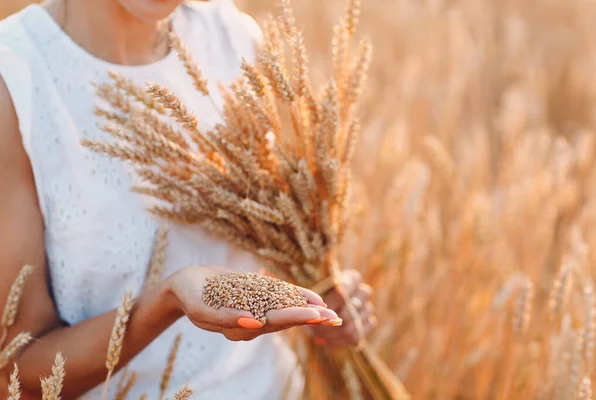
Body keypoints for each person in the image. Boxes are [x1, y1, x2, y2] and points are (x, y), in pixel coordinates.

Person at [0, 0, 377, 398]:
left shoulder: (232, 37)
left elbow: (272, 230)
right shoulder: (16, 77)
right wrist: (165, 302)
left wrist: (319, 291)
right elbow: (17, 369)